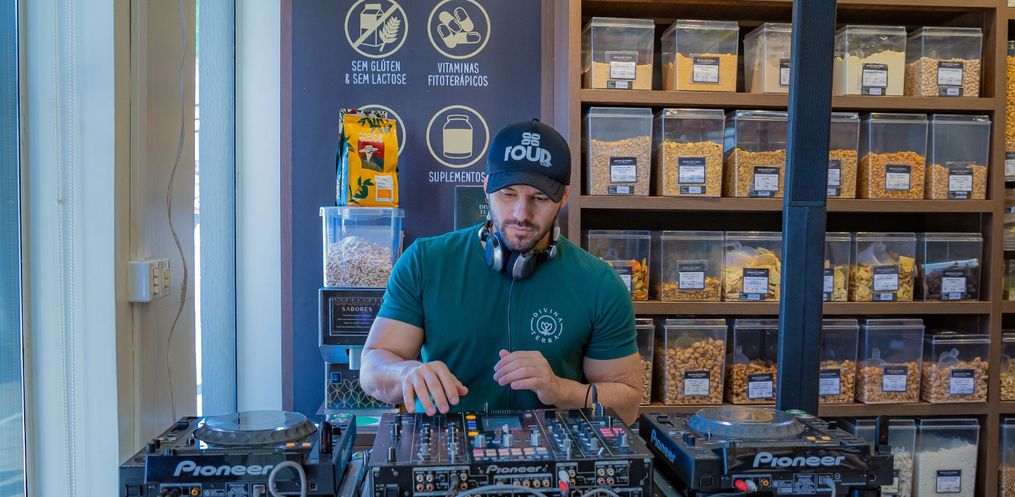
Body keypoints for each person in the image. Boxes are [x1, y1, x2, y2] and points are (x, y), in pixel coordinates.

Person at [359, 119, 641, 424]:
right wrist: (405, 372)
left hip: (555, 451)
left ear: (564, 198)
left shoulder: (599, 283)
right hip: (446, 449)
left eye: (539, 198)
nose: (521, 213)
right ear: (486, 188)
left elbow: (627, 405)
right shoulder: (425, 261)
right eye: (508, 194)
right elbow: (372, 369)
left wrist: (561, 390)